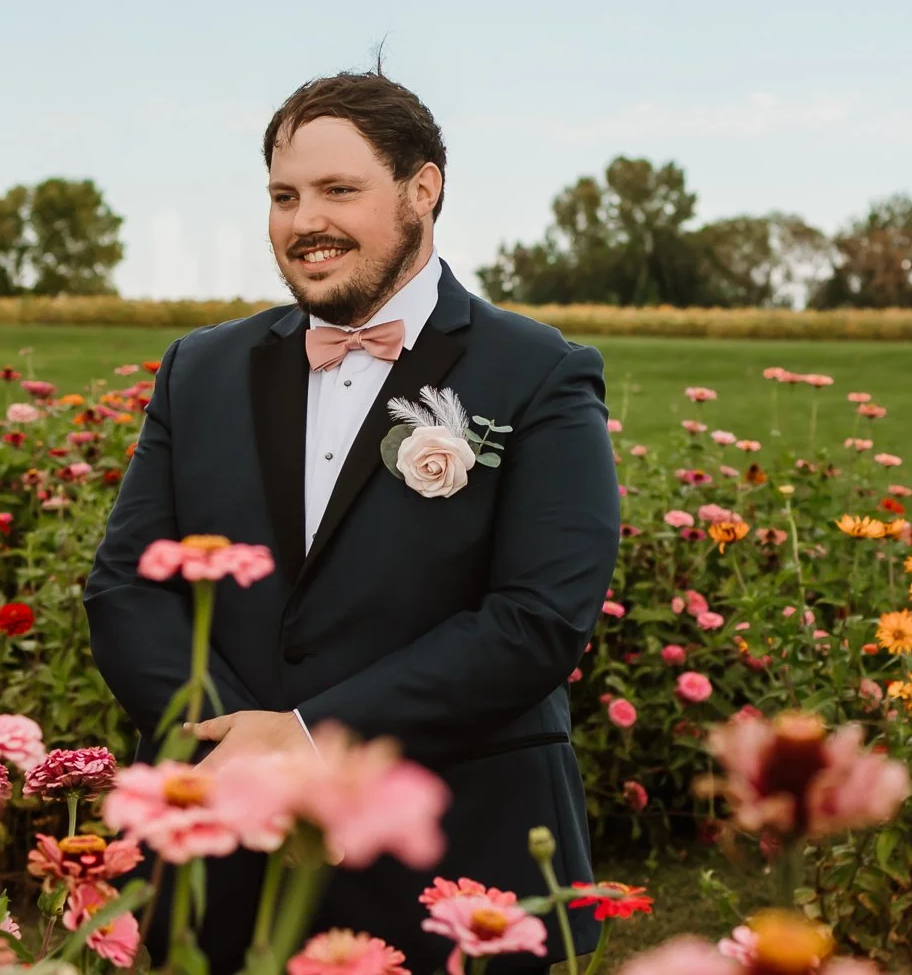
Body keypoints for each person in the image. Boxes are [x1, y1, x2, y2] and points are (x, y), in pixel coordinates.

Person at [85, 70, 620, 972]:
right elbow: (127, 582)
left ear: (424, 189)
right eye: (284, 195)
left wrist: (308, 742)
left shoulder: (539, 371)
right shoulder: (200, 368)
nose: (304, 222)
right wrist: (243, 759)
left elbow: (537, 617)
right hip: (229, 869)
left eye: (338, 190)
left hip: (454, 868)